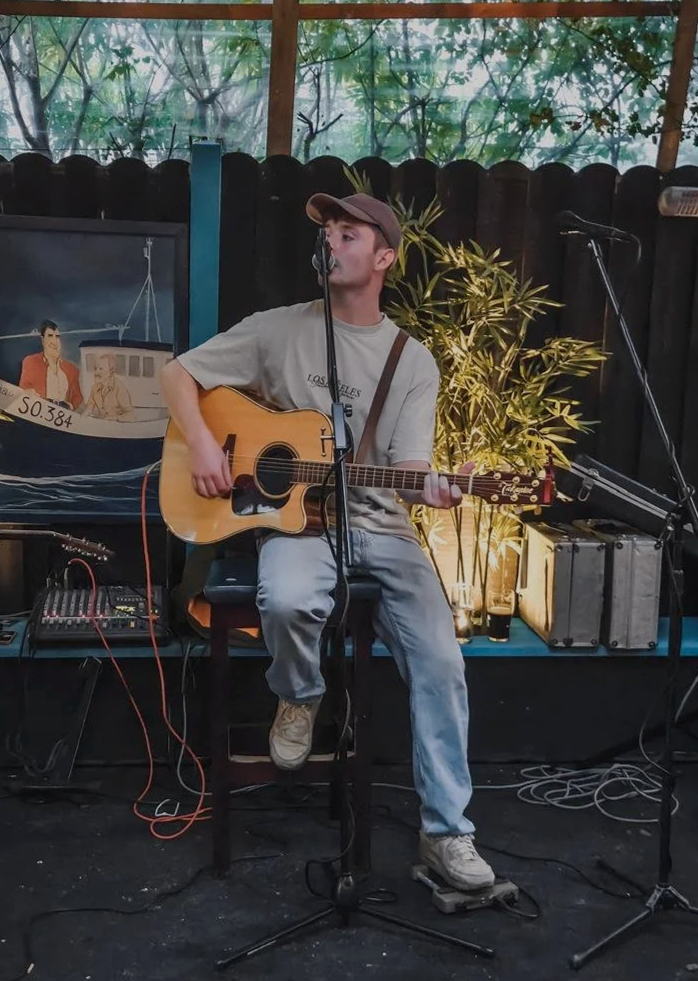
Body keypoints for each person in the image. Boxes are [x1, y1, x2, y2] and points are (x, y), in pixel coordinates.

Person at [160, 192, 495, 892]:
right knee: (284, 597)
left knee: (441, 662)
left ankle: (447, 835)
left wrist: (431, 488)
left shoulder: (413, 359)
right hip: (298, 522)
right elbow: (177, 374)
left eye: (351, 234)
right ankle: (300, 694)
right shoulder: (279, 329)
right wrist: (199, 443)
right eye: (329, 233)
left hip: (381, 526)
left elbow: (405, 468)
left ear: (383, 258)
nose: (334, 243)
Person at [19, 320, 83, 410]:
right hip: (37, 415)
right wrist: (28, 393)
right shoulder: (30, 362)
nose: (54, 341)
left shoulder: (72, 369)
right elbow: (23, 389)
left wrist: (70, 406)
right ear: (42, 339)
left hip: (62, 419)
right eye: (50, 336)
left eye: (57, 336)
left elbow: (78, 397)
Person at [84, 352, 135, 422]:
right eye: (95, 368)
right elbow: (89, 408)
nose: (96, 372)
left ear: (111, 371)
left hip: (118, 428)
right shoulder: (94, 388)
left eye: (101, 369)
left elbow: (131, 416)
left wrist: (116, 418)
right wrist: (82, 418)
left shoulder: (119, 388)